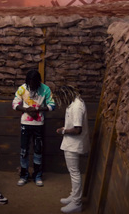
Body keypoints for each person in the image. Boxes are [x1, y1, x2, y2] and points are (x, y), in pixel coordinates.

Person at [12, 70, 55, 187]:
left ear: (38, 82)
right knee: (24, 150)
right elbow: (14, 104)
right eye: (29, 83)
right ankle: (24, 175)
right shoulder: (22, 88)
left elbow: (52, 105)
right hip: (25, 123)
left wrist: (38, 109)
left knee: (38, 150)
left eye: (33, 84)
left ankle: (37, 175)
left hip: (39, 124)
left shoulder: (45, 89)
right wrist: (26, 110)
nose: (31, 86)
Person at [54, 85, 90, 213]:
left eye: (61, 99)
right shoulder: (75, 103)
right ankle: (74, 196)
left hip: (74, 144)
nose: (61, 102)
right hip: (71, 143)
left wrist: (63, 131)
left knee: (74, 172)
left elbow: (77, 129)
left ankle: (77, 203)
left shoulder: (76, 106)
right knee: (73, 171)